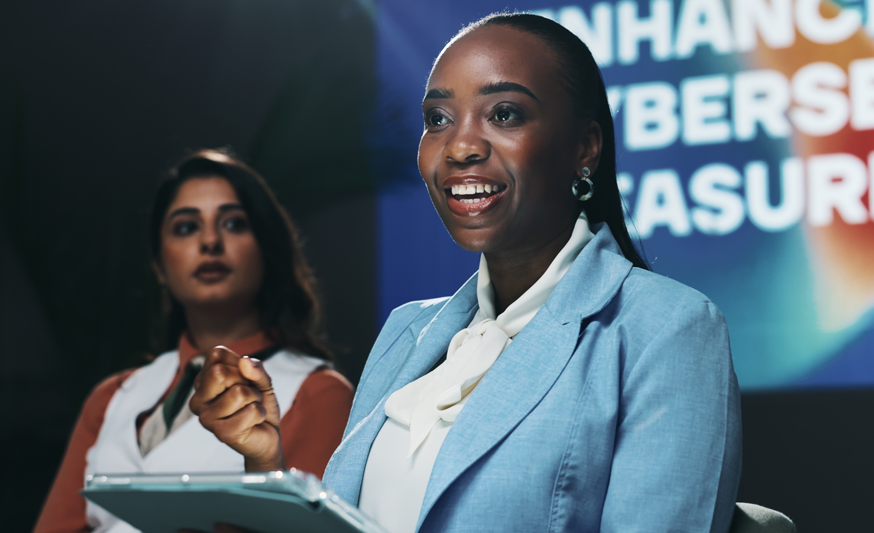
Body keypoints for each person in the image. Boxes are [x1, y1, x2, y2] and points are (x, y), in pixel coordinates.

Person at [190, 13, 742, 533]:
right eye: (438, 119)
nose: (459, 147)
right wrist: (264, 461)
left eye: (504, 114)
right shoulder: (406, 335)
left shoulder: (669, 330)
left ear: (585, 149)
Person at [34, 149, 354, 533]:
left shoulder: (318, 393)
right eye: (186, 227)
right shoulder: (111, 398)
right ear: (159, 265)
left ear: (266, 248)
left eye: (233, 224)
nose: (210, 242)